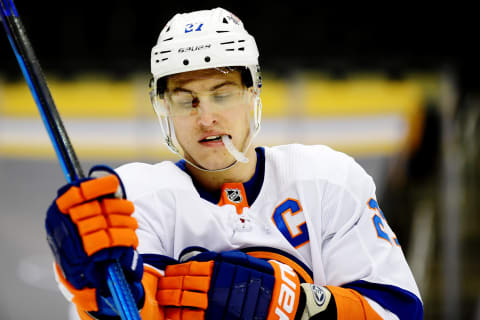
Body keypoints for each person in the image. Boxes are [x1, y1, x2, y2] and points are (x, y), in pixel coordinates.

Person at [45, 7, 423, 320]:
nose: (205, 117)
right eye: (185, 99)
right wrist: (101, 291)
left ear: (252, 93)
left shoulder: (329, 181)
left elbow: (396, 311)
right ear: (163, 108)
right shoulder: (132, 198)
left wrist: (295, 305)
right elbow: (141, 306)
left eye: (221, 95)